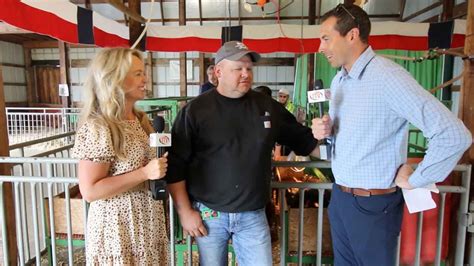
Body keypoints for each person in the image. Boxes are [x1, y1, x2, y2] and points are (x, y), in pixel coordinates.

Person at [311, 4, 472, 265]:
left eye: (326, 38)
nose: (321, 47)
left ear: (352, 35)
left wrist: (418, 177)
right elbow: (347, 138)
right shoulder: (339, 81)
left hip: (373, 205)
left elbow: (454, 134)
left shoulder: (388, 77)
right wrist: (325, 132)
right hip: (340, 198)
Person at [166, 40, 319, 265]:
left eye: (249, 68)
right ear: (218, 72)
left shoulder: (267, 107)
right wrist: (185, 211)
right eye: (238, 68)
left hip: (253, 215)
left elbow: (305, 141)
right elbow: (176, 165)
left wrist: (331, 141)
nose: (246, 73)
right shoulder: (195, 111)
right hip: (210, 213)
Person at [72, 48, 169, 265]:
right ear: (114, 78)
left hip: (147, 220)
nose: (145, 79)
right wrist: (144, 173)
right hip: (117, 227)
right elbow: (90, 190)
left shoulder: (141, 120)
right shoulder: (99, 126)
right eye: (137, 74)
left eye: (143, 72)